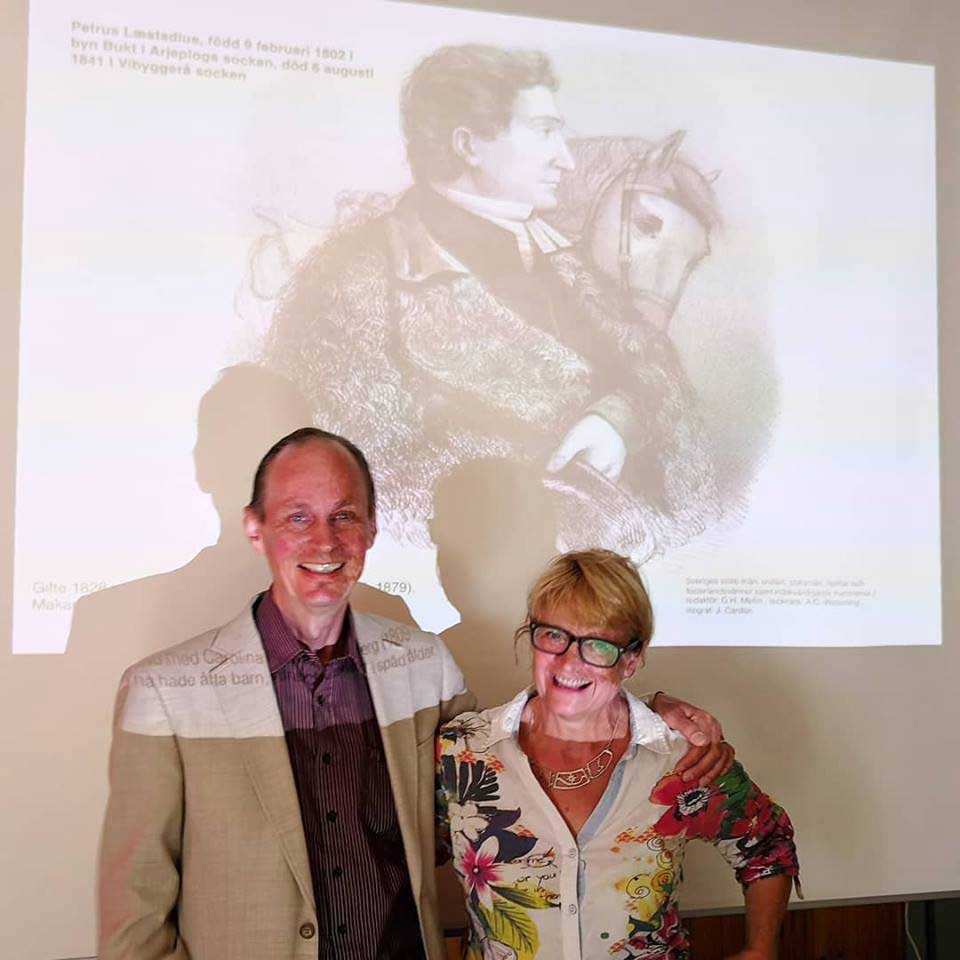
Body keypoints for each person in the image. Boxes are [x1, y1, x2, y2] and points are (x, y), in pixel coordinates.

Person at [99, 428, 732, 960]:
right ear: (254, 527)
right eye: (297, 517)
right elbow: (135, 910)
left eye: (344, 516)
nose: (325, 542)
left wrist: (649, 711)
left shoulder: (424, 665)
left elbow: (510, 769)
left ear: (371, 531)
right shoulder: (165, 690)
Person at [264, 44, 657, 552]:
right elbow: (352, 480)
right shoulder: (352, 279)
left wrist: (617, 420)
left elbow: (653, 375)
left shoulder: (566, 259)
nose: (565, 158)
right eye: (544, 132)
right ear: (469, 146)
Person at [437, 549, 799, 959]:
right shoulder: (461, 752)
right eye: (554, 635)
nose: (569, 662)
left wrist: (762, 948)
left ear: (631, 659)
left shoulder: (678, 757)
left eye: (598, 645)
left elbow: (767, 842)